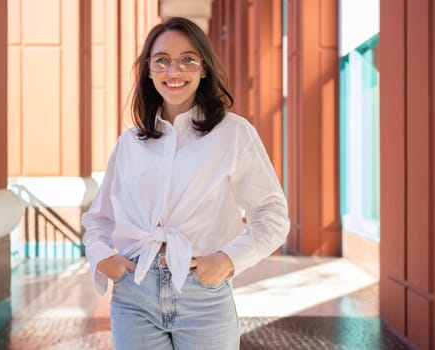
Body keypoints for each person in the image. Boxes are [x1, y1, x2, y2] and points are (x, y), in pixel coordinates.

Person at [82, 16, 290, 350]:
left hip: (203, 295)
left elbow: (272, 214)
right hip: (134, 295)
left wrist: (228, 259)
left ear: (204, 68)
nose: (173, 71)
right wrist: (101, 257)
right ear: (149, 71)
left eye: (187, 60)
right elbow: (99, 219)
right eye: (161, 60)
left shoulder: (233, 134)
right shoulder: (130, 143)